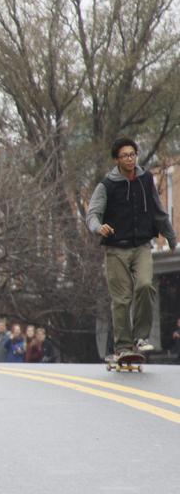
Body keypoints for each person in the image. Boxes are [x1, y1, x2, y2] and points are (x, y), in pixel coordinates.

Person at [86, 137, 177, 362]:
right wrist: (99, 228)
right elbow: (92, 215)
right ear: (117, 159)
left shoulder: (146, 179)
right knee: (122, 299)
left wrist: (170, 236)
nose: (130, 158)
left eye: (132, 154)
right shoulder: (107, 185)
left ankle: (140, 338)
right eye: (125, 155)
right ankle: (123, 346)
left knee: (145, 286)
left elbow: (158, 210)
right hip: (116, 249)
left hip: (141, 246)